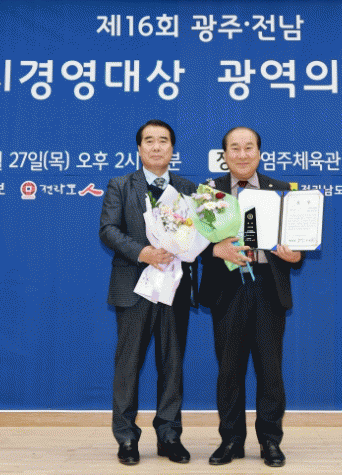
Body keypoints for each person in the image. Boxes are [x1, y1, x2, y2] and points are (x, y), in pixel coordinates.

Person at [199, 126, 304, 468]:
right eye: (235, 148)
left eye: (249, 147)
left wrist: (295, 255)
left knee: (270, 370)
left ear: (259, 153)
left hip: (268, 288)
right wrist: (215, 249)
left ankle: (270, 441)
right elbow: (191, 245)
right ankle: (231, 440)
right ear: (224, 155)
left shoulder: (282, 190)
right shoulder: (209, 192)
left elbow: (297, 242)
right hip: (227, 289)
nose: (242, 154)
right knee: (229, 370)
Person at [99, 119, 196, 465]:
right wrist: (144, 253)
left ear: (172, 149)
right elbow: (108, 230)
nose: (157, 147)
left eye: (163, 140)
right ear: (139, 149)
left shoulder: (188, 189)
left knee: (172, 364)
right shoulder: (121, 185)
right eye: (149, 141)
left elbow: (197, 235)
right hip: (134, 287)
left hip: (174, 289)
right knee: (128, 365)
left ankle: (169, 435)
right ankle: (126, 437)